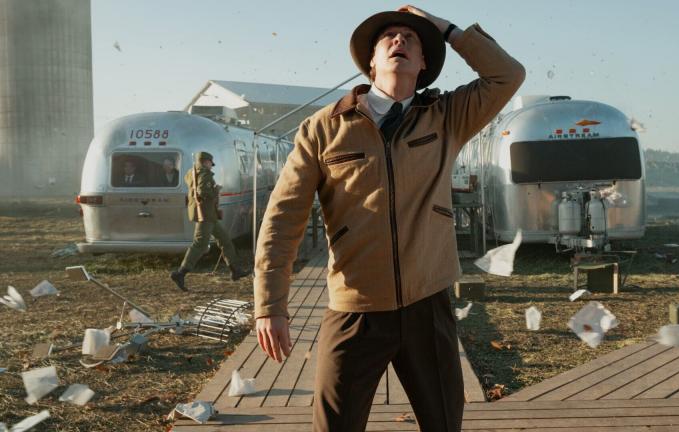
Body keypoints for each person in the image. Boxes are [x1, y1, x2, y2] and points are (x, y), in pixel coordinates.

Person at [254, 5, 525, 431]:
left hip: (427, 305)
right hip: (354, 309)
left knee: (444, 424)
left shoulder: (447, 117)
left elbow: (507, 75)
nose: (400, 40)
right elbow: (283, 218)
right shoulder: (323, 129)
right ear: (371, 61)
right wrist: (270, 306)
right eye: (390, 37)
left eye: (411, 38)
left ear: (423, 64)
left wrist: (445, 29)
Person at [170, 152, 251, 290]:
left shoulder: (191, 172)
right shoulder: (204, 173)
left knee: (225, 240)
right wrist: (216, 190)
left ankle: (235, 270)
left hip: (208, 214)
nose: (211, 166)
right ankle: (180, 273)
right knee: (200, 244)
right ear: (205, 161)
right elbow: (202, 191)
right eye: (210, 163)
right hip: (206, 215)